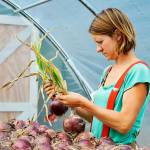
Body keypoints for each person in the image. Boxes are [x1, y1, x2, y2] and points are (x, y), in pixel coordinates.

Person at [44, 8, 150, 148]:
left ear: (118, 35)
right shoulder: (108, 71)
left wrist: (83, 102)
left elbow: (124, 124)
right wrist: (65, 99)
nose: (98, 49)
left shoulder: (138, 71)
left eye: (100, 42)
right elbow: (96, 118)